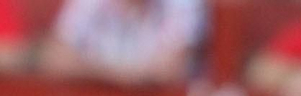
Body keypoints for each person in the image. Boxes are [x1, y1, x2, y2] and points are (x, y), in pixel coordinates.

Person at [40, 0, 206, 87]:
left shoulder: (182, 3)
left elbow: (171, 69)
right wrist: (123, 76)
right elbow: (55, 58)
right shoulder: (89, 2)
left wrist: (89, 68)